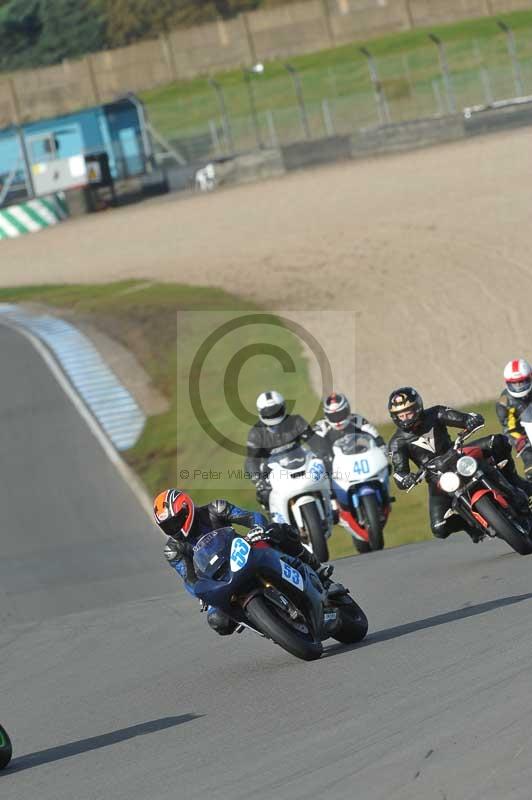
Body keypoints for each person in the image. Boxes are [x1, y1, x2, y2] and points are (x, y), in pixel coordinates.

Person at [153, 488, 341, 636]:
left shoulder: (216, 509)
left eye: (176, 521)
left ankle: (319, 571)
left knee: (279, 531)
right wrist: (201, 593)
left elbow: (252, 517)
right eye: (168, 526)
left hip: (244, 551)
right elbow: (189, 578)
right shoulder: (173, 550)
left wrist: (258, 528)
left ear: (187, 508)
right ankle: (269, 628)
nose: (174, 528)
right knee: (218, 621)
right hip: (218, 579)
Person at [388, 387, 532, 541]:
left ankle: (513, 481)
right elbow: (399, 471)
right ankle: (472, 526)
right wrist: (405, 478)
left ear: (417, 407)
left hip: (459, 455)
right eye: (401, 415)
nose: (405, 418)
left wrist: (471, 420)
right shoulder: (397, 442)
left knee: (497, 442)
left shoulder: (436, 413)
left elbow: (463, 418)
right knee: (439, 527)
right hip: (437, 478)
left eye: (408, 412)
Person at [245, 390, 316, 508]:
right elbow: (251, 460)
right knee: (264, 495)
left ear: (283, 407)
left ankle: (334, 505)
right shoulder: (256, 433)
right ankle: (275, 522)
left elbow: (315, 441)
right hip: (275, 475)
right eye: (268, 413)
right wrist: (258, 481)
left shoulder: (296, 421)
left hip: (302, 466)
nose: (272, 415)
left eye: (275, 411)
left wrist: (325, 454)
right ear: (260, 413)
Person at [496, 359, 532, 478]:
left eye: (522, 382)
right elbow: (510, 428)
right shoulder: (504, 403)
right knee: (530, 465)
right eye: (515, 383)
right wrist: (522, 440)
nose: (519, 386)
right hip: (523, 436)